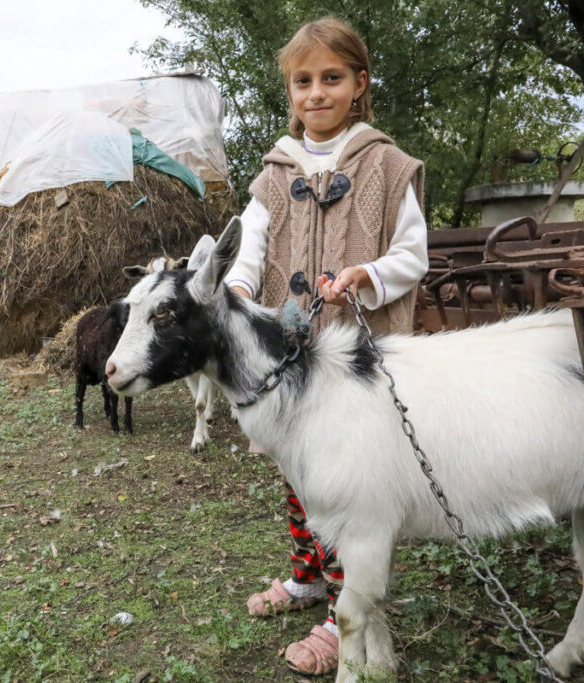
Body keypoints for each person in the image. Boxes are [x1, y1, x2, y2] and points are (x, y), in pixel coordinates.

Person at [222, 16, 429, 676]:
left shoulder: (386, 166)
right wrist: (238, 293)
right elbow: (250, 251)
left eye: (331, 78)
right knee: (297, 471)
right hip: (291, 362)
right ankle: (309, 577)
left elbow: (413, 254)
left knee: (346, 487)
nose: (316, 92)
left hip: (355, 363)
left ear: (359, 84)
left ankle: (344, 615)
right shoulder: (273, 175)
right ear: (289, 90)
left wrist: (369, 275)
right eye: (302, 81)